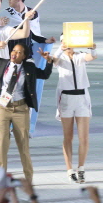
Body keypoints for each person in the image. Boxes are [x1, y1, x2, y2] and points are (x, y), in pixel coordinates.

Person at [0, 43, 53, 183]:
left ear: (24, 56)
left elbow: (44, 75)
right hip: (2, 107)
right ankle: (0, 180)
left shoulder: (29, 68)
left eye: (19, 52)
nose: (14, 53)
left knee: (23, 146)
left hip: (20, 109)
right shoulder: (1, 63)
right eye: (13, 51)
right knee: (2, 143)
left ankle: (28, 179)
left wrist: (49, 61)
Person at [52, 39, 97, 183]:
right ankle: (69, 169)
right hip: (66, 99)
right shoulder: (60, 58)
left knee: (84, 137)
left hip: (82, 98)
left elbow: (91, 57)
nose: (67, 45)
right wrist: (60, 49)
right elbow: (53, 61)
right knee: (68, 137)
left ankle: (81, 168)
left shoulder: (79, 56)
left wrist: (92, 49)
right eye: (64, 42)